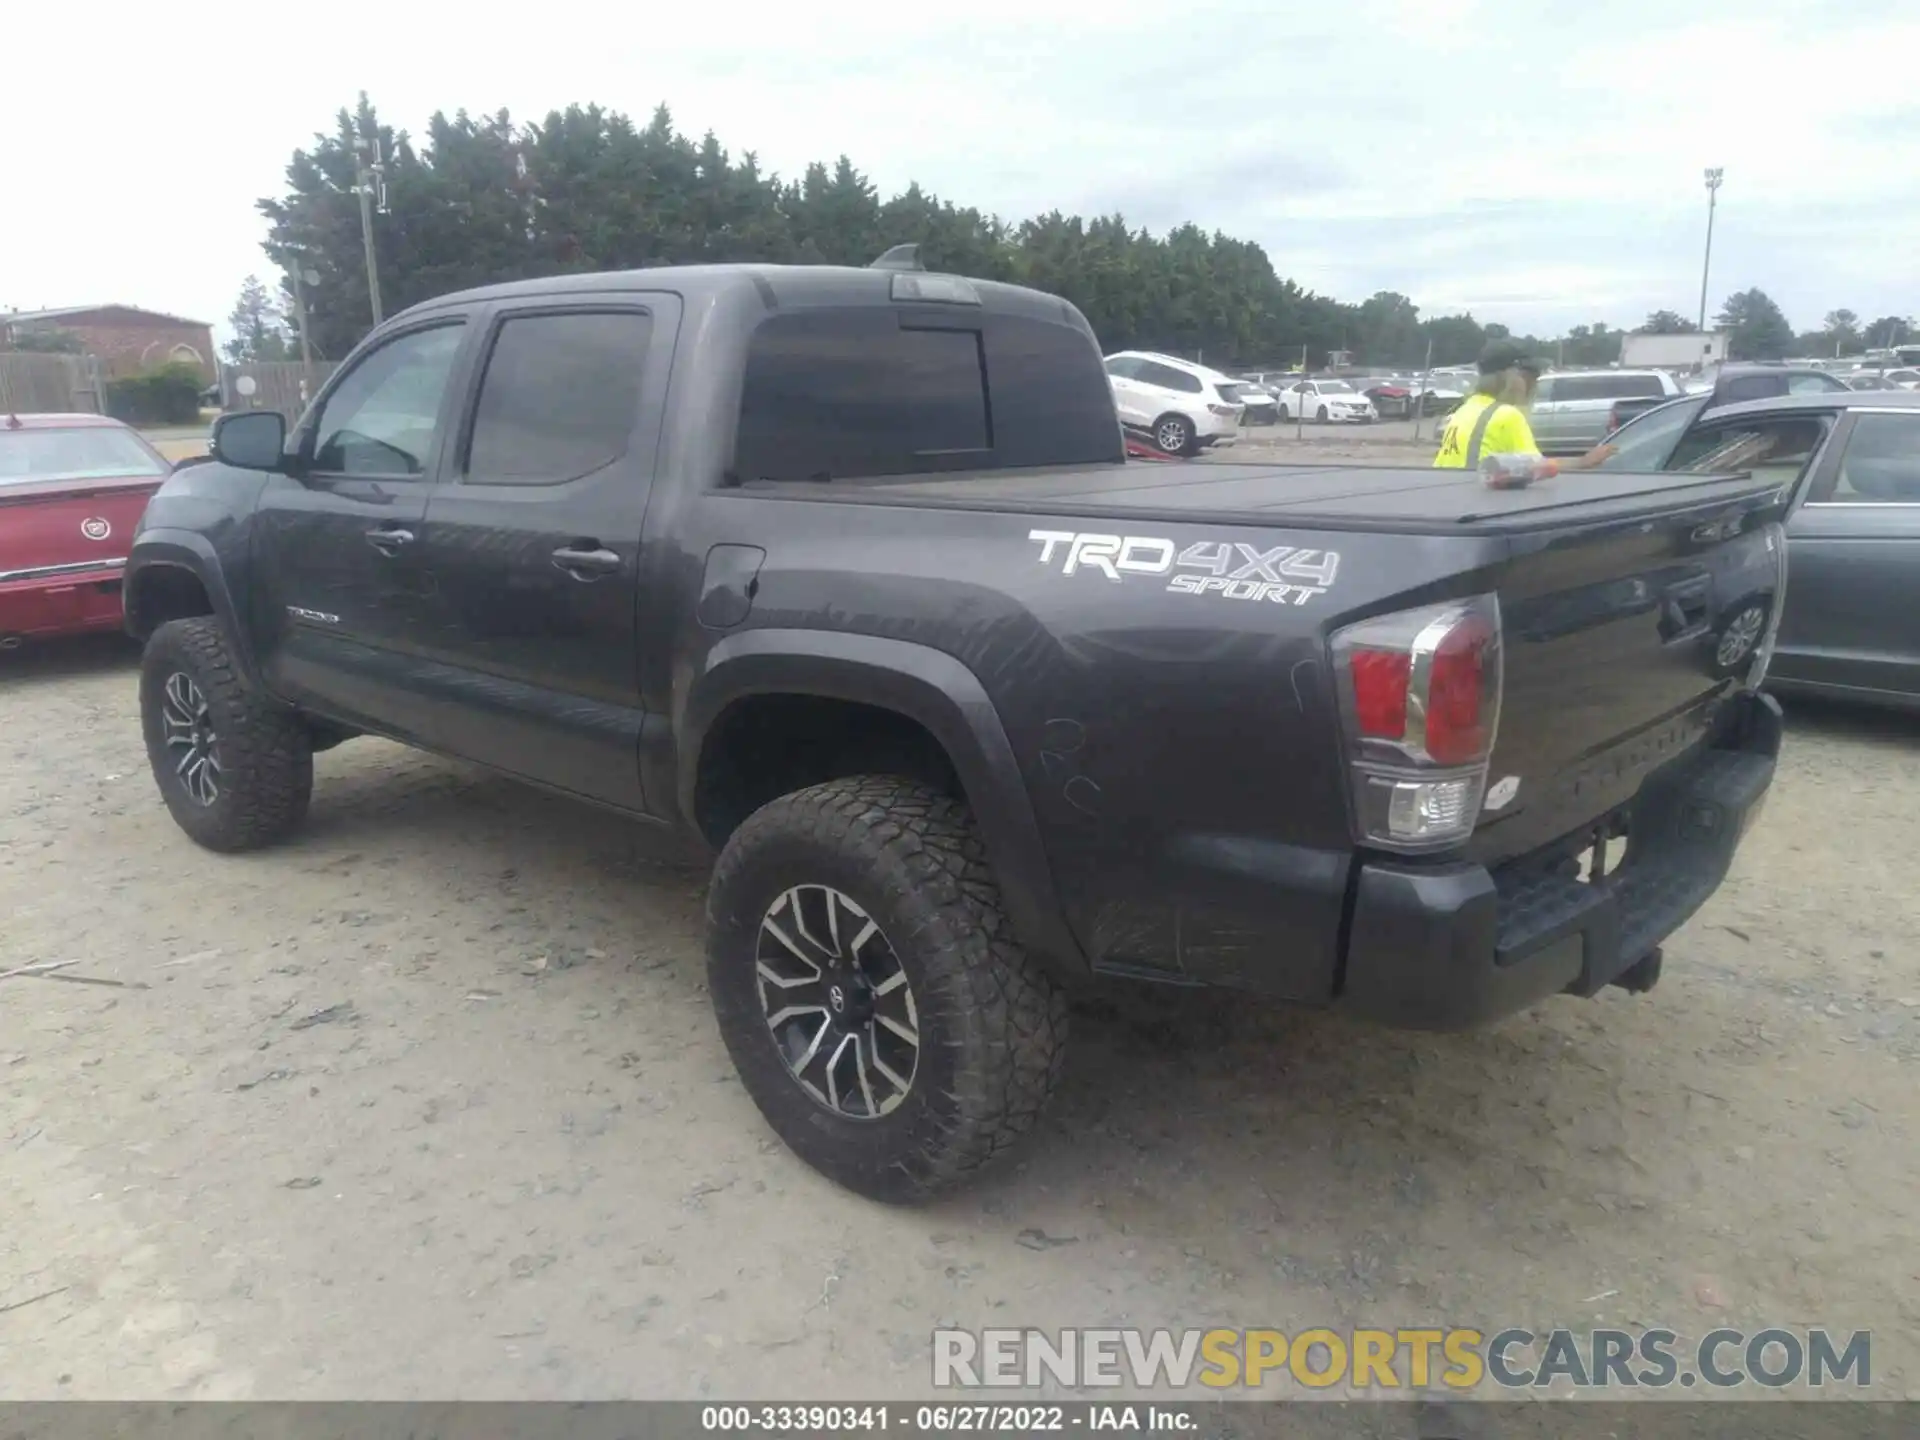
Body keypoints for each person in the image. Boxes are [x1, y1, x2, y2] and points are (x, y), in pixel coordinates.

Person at [1432, 339, 1617, 473]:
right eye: (1532, 377)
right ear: (1513, 377)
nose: (1534, 386)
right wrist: (1584, 462)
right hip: (1479, 505)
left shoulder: (1467, 408)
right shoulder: (1505, 415)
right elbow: (1536, 467)